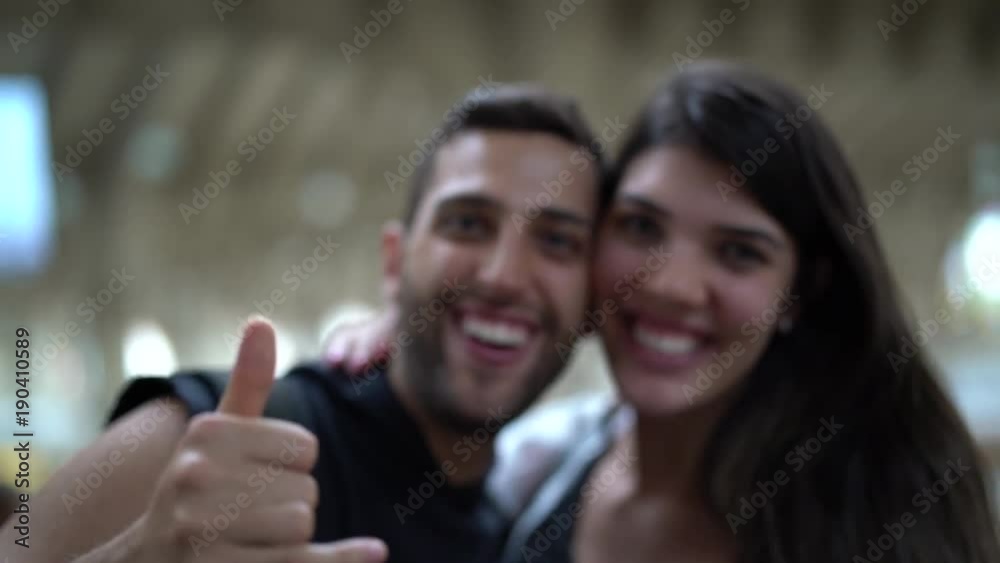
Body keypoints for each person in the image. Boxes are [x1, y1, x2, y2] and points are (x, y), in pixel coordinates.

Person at [326, 61, 1000, 563]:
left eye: (738, 252)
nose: (673, 286)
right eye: (642, 228)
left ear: (800, 292)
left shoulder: (871, 513)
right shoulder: (546, 466)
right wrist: (423, 315)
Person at [0, 83, 609, 563]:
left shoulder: (523, 525)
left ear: (592, 304)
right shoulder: (215, 442)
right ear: (395, 265)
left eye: (557, 240)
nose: (504, 275)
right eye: (468, 224)